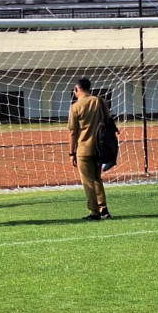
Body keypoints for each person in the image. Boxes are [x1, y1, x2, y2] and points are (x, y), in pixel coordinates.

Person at [68, 77, 112, 221]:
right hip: (100, 147)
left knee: (87, 181)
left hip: (84, 149)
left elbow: (73, 132)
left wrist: (71, 152)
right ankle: (103, 208)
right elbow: (108, 121)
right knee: (97, 178)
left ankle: (94, 212)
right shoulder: (100, 101)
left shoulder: (75, 107)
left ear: (76, 89)